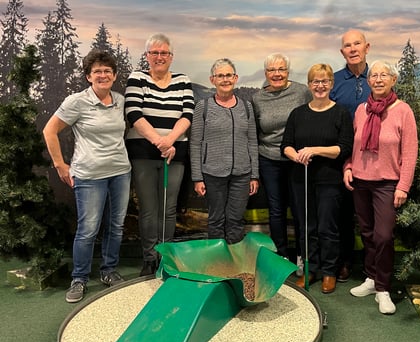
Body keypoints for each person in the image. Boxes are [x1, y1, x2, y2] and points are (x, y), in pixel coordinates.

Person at [42, 49, 131, 303]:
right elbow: (49, 131)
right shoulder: (76, 102)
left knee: (116, 226)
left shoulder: (120, 100)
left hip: (120, 173)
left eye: (107, 71)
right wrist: (60, 165)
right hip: (89, 176)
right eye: (97, 71)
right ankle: (79, 278)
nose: (103, 75)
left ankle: (108, 271)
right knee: (88, 229)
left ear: (114, 75)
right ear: (88, 76)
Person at [343, 60, 418, 314]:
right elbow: (353, 144)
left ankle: (383, 289)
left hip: (387, 183)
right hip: (360, 181)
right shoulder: (361, 110)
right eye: (373, 75)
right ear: (368, 81)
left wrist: (403, 186)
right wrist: (348, 167)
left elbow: (410, 152)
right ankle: (372, 278)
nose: (378, 79)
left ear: (393, 80)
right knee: (367, 233)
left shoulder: (403, 111)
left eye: (383, 75)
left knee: (383, 235)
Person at [124, 33, 194, 276]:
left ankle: (166, 258)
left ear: (171, 56)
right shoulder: (137, 78)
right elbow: (134, 113)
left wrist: (169, 141)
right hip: (143, 153)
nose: (159, 57)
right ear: (147, 56)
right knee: (148, 209)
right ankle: (149, 258)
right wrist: (159, 142)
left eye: (164, 53)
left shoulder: (183, 81)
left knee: (168, 208)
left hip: (175, 153)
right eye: (154, 52)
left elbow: (187, 115)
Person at [281, 63, 353, 294]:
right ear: (309, 85)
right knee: (306, 227)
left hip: (329, 180)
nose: (320, 86)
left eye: (324, 81)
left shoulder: (340, 113)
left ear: (331, 84)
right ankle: (311, 269)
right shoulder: (298, 114)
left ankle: (329, 271)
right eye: (315, 81)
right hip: (301, 179)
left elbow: (344, 148)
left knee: (327, 227)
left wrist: (315, 150)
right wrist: (295, 156)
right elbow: (286, 145)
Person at [251, 53, 312, 276]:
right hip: (269, 159)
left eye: (281, 69)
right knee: (276, 210)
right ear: (265, 73)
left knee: (299, 210)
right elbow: (254, 132)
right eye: (272, 70)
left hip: (297, 160)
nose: (277, 74)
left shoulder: (302, 92)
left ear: (288, 71)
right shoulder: (258, 99)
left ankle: (302, 257)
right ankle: (281, 256)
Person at [190, 58, 259, 244]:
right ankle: (217, 258)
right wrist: (197, 178)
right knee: (216, 220)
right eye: (220, 76)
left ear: (235, 78)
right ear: (212, 80)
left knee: (236, 220)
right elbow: (195, 143)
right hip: (212, 174)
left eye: (229, 75)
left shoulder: (246, 107)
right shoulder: (203, 107)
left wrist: (254, 175)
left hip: (242, 174)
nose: (225, 79)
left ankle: (234, 257)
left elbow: (252, 141)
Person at [330, 29, 372, 283]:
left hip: (372, 159)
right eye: (348, 45)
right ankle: (344, 261)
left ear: (367, 47)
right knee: (343, 213)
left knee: (371, 214)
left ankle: (372, 266)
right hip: (341, 158)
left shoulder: (377, 77)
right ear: (342, 52)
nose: (353, 49)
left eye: (357, 44)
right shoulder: (334, 81)